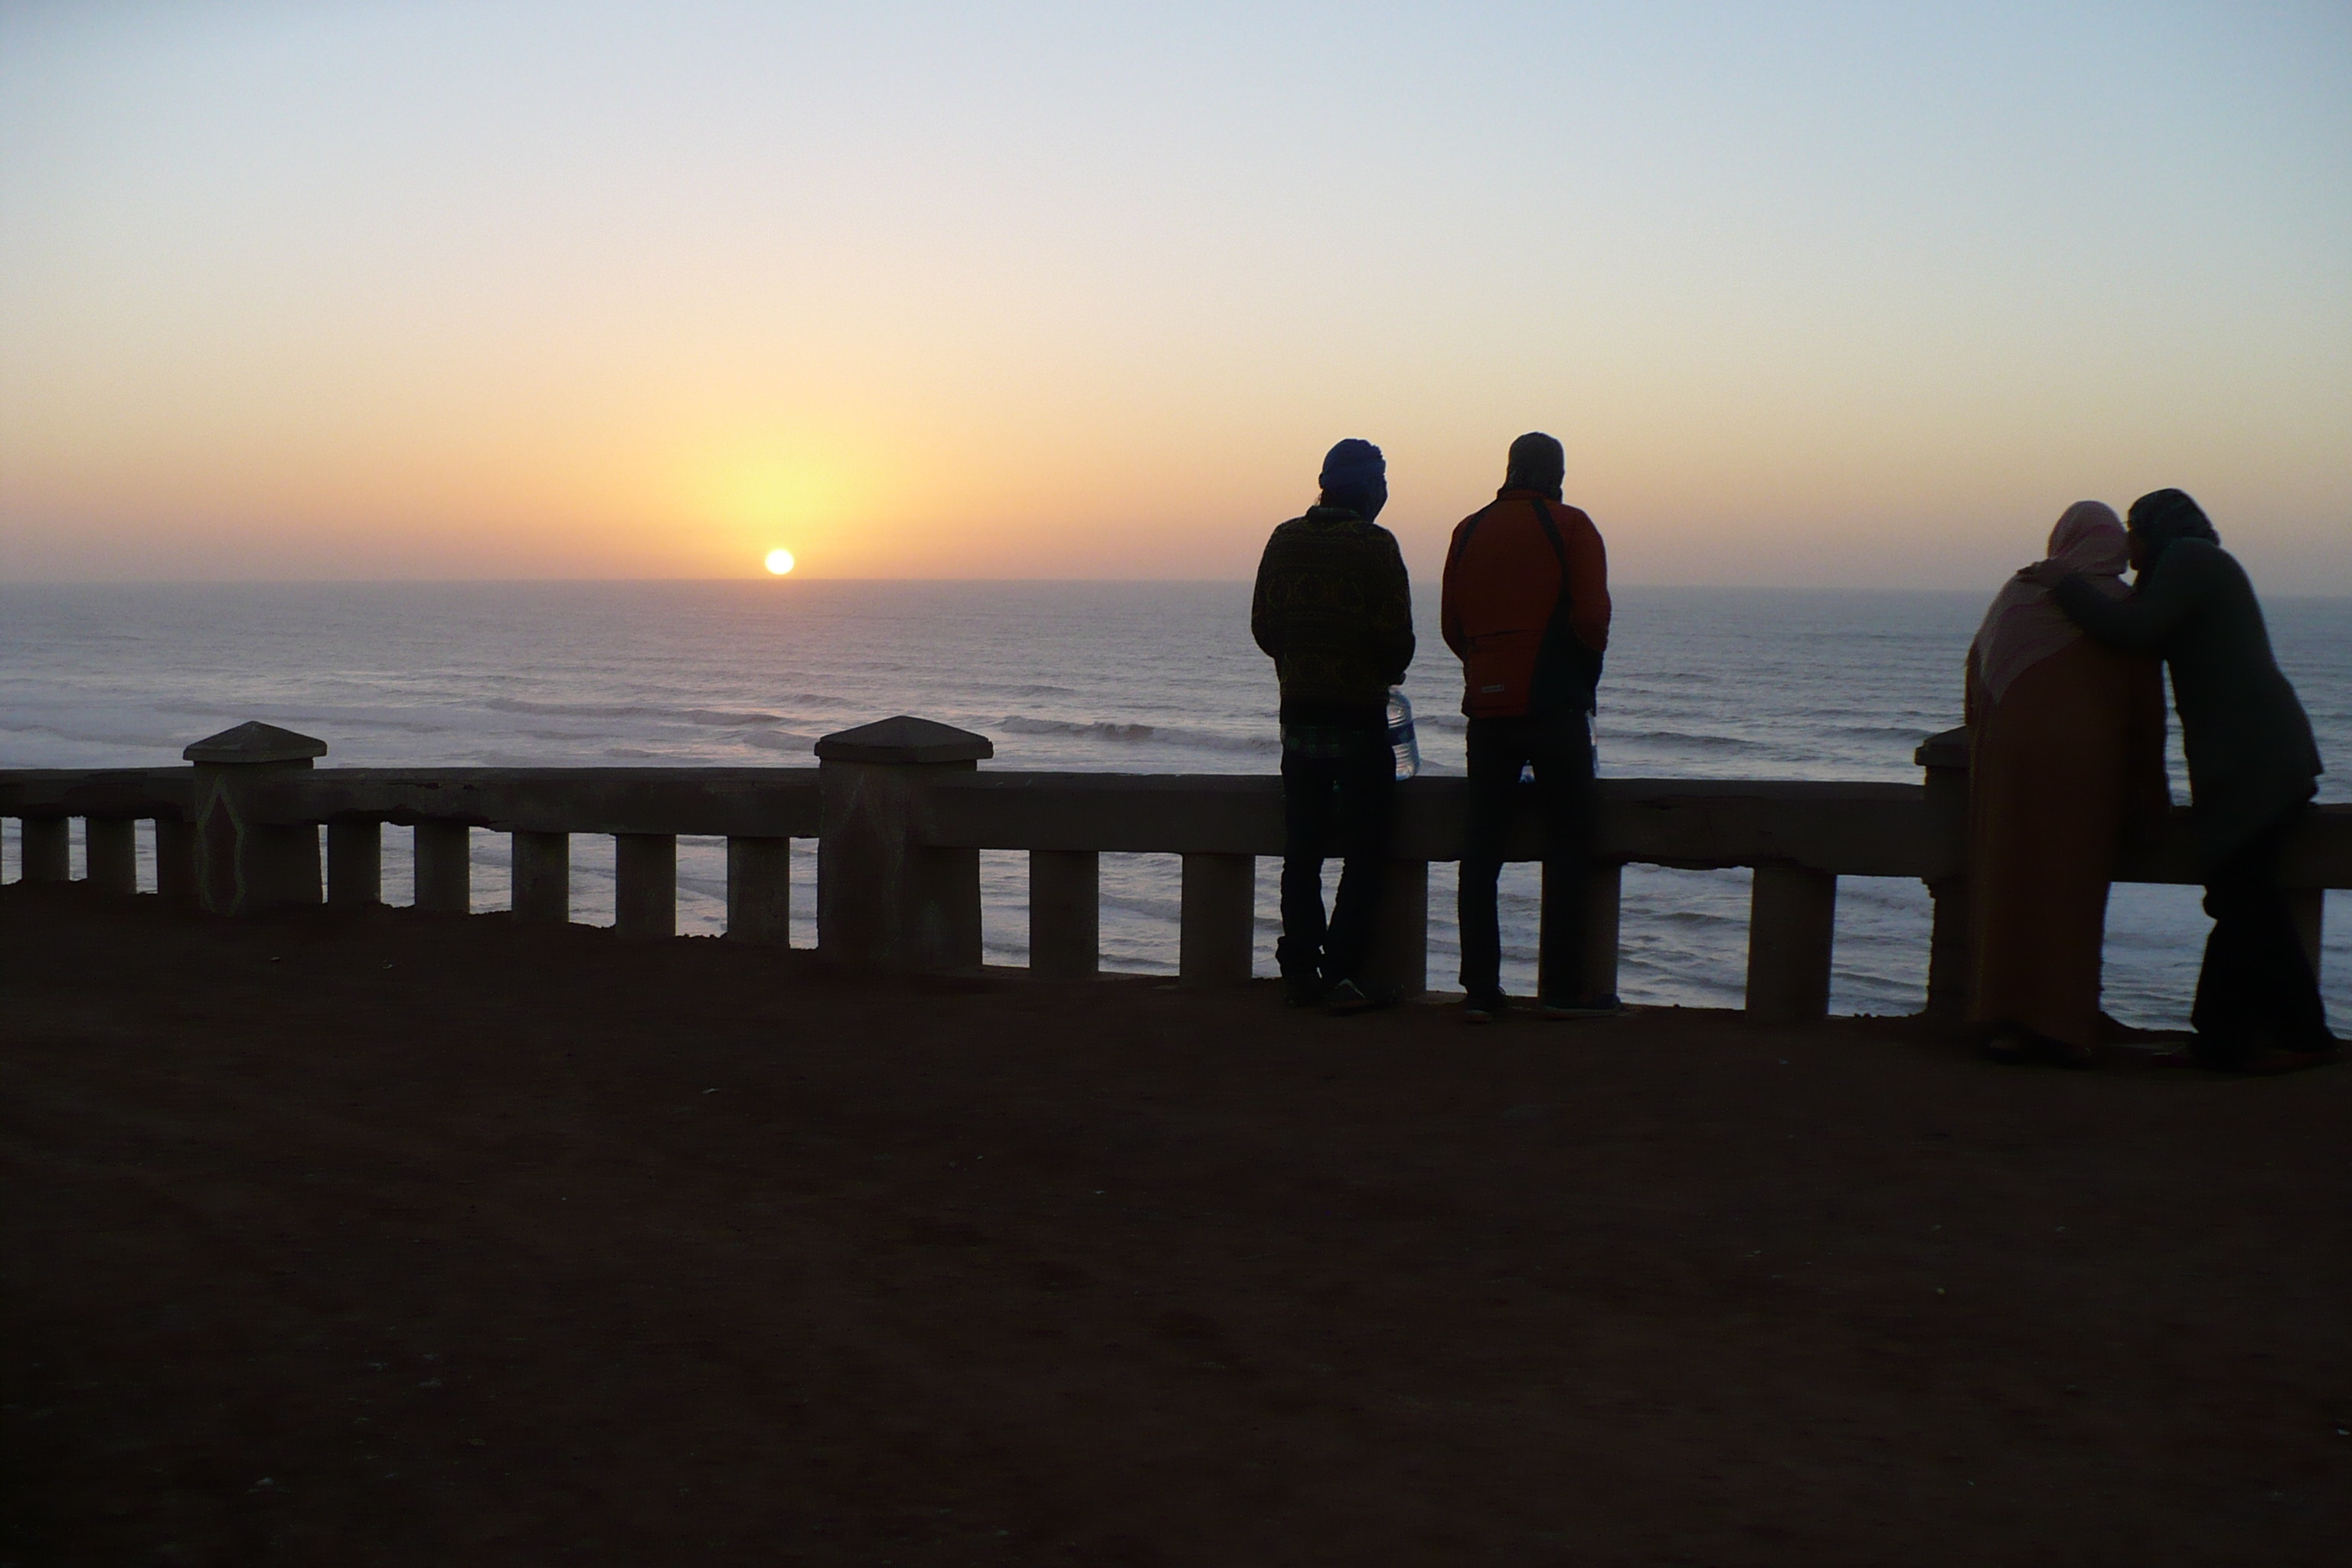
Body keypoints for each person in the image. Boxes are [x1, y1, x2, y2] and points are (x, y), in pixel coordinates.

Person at [2049, 488, 2337, 1072]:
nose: (2128, 546)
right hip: (2256, 763)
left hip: (2257, 764)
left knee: (2243, 903)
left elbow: (2133, 632)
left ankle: (2260, 1041)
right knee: (2245, 903)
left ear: (2154, 529)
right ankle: (2256, 1040)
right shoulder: (2192, 568)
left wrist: (2062, 584)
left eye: (2132, 530)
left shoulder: (2190, 560)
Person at [1965, 501, 2171, 1067]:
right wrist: (2153, 795)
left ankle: (2001, 1019)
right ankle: (2062, 1023)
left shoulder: (2019, 592)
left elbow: (1980, 670)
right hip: (2087, 778)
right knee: (2070, 897)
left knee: (2010, 887)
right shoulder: (2124, 608)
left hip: (2010, 772)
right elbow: (2146, 714)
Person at [1441, 432, 1616, 1024]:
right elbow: (1591, 615)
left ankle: (1480, 990)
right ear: (1556, 474)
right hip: (1554, 708)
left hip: (1486, 712)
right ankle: (1563, 987)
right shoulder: (1571, 526)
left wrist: (1485, 667)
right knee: (1569, 843)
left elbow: (1451, 623)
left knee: (1480, 850)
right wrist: (1578, 670)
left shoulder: (1467, 530)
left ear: (1511, 469)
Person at [1251, 439, 1415, 1012]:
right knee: (1365, 854)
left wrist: (1302, 664)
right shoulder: (1376, 547)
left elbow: (1264, 628)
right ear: (1369, 489)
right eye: (1384, 482)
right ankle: (1343, 974)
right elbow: (1398, 644)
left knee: (1303, 852)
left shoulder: (1283, 539)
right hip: (1360, 727)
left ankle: (1299, 970)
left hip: (1298, 725)